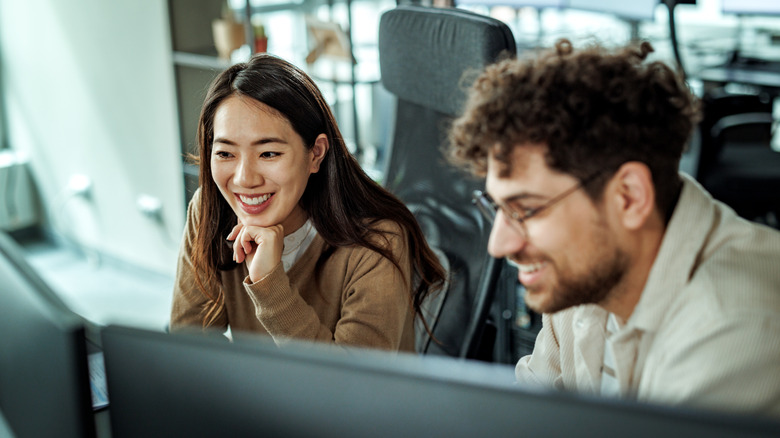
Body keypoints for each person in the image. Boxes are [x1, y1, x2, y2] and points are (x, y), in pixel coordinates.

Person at [448, 38, 780, 417]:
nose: (499, 245)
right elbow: (530, 420)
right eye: (497, 208)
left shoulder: (737, 331)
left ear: (629, 197)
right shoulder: (587, 270)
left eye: (526, 210)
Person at [170, 53, 445, 352]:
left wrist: (269, 285)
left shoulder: (378, 241)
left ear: (315, 153)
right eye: (225, 153)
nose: (244, 179)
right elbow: (187, 346)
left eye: (269, 154)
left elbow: (351, 389)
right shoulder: (211, 208)